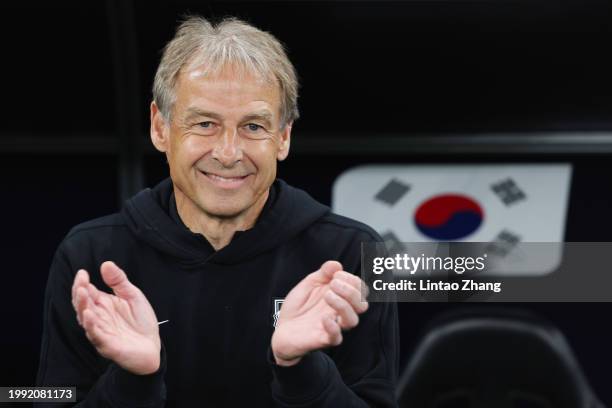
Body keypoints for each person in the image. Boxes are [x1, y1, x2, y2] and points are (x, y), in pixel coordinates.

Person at [36, 16, 399, 407]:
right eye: (205, 123)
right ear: (160, 128)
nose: (228, 153)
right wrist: (131, 380)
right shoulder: (88, 255)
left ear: (284, 137)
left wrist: (300, 368)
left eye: (254, 127)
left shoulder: (353, 254)